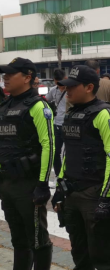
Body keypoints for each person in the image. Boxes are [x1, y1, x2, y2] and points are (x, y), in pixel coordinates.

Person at [51, 65, 110, 270]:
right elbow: (69, 155)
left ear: (89, 87)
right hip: (73, 193)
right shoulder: (71, 114)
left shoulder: (105, 114)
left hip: (95, 193)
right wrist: (60, 188)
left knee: (104, 256)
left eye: (73, 87)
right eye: (66, 86)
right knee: (80, 255)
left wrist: (107, 199)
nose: (67, 91)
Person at [0, 57, 54, 270]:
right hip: (7, 183)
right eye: (4, 73)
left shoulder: (38, 106)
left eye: (10, 74)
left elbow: (48, 145)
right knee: (18, 239)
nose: (5, 77)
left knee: (38, 239)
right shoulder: (5, 106)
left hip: (28, 184)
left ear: (27, 77)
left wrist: (42, 184)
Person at [45, 69, 67, 177]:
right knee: (56, 152)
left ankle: (67, 173)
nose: (61, 86)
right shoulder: (53, 90)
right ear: (54, 81)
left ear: (66, 79)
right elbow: (45, 101)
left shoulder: (72, 90)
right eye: (58, 83)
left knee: (69, 152)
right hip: (56, 125)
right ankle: (58, 174)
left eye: (62, 82)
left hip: (68, 125)